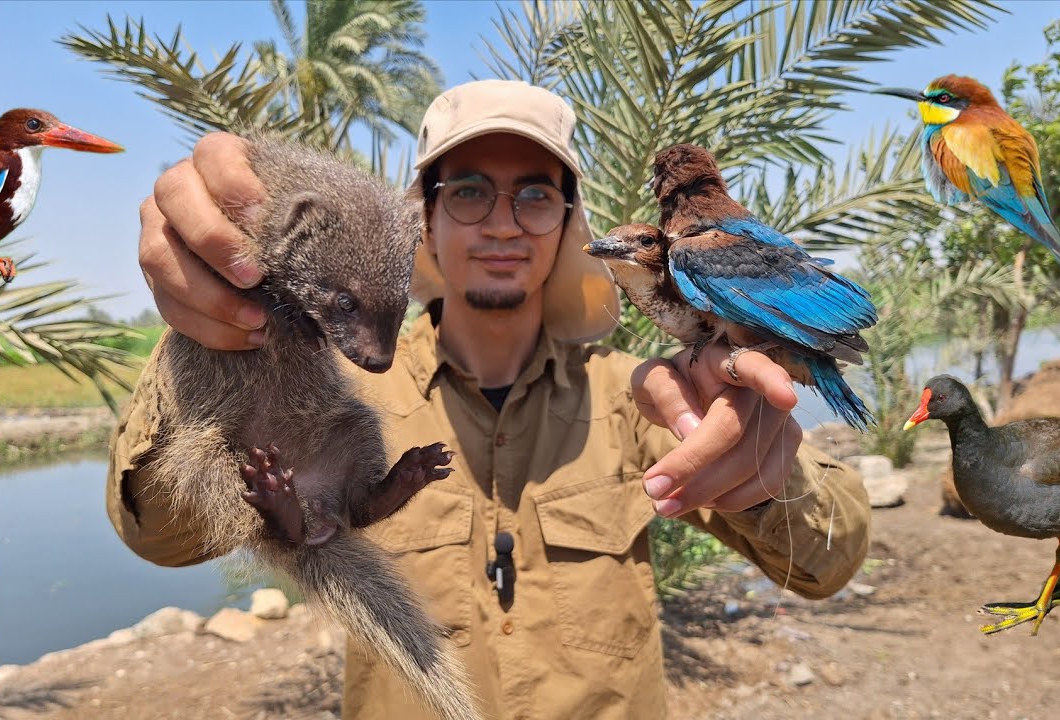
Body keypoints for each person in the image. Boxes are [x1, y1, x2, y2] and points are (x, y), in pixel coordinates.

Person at [107, 79, 870, 719]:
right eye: (468, 190)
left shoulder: (642, 399)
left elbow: (827, 565)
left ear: (570, 223)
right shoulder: (324, 381)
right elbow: (163, 538)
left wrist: (762, 464)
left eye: (536, 195)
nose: (502, 223)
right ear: (423, 222)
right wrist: (208, 328)